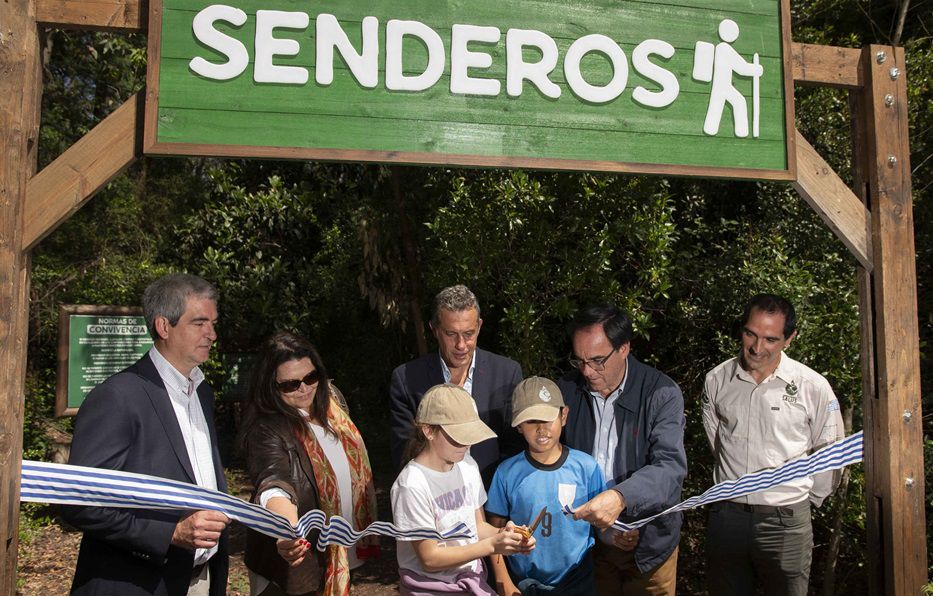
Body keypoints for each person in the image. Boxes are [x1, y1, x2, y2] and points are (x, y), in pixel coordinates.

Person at [61, 273, 231, 595]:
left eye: (213, 322)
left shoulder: (202, 392)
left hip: (202, 579)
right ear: (163, 326)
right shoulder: (117, 396)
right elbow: (79, 502)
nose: (212, 334)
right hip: (138, 584)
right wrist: (170, 533)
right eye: (200, 323)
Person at [701, 294, 845, 596]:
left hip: (786, 522)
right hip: (727, 517)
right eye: (750, 334)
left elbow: (830, 455)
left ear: (789, 339)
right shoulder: (717, 379)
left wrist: (800, 500)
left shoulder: (813, 386)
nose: (757, 347)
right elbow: (717, 440)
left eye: (770, 339)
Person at [558, 304, 687, 595]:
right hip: (588, 545)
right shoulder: (566, 390)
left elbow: (670, 468)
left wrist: (620, 498)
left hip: (650, 545)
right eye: (579, 360)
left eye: (597, 360)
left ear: (624, 348)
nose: (587, 372)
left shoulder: (661, 393)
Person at [241, 331, 378, 596]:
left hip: (339, 555)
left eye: (311, 377)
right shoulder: (266, 429)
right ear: (271, 386)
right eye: (290, 384)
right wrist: (287, 530)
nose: (304, 388)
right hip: (295, 571)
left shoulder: (333, 407)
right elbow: (273, 482)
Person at [391, 384, 535, 595]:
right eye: (458, 436)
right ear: (429, 430)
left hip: (471, 578)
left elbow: (476, 526)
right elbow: (430, 558)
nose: (466, 445)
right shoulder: (411, 485)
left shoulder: (467, 465)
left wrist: (505, 535)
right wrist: (492, 546)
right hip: (430, 588)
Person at [390, 285, 523, 485]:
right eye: (451, 334)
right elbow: (405, 451)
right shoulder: (407, 379)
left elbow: (514, 448)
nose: (461, 345)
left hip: (492, 499)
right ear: (434, 329)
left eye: (469, 333)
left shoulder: (507, 373)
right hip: (433, 498)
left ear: (479, 326)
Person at [486, 377, 604, 595]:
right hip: (522, 583)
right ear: (518, 425)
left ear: (564, 415)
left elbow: (603, 525)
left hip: (577, 581)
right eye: (531, 421)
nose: (541, 429)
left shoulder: (587, 468)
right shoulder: (506, 473)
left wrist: (620, 535)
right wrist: (504, 583)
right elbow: (493, 534)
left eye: (548, 419)